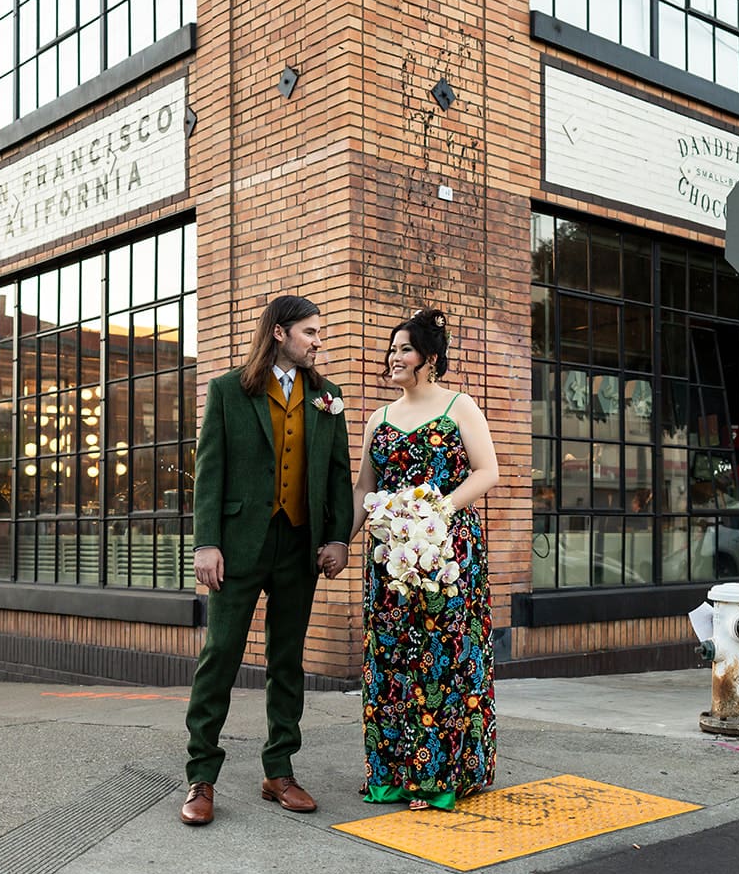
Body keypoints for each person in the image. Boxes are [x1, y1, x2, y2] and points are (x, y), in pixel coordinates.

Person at [179, 295, 354, 826]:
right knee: (221, 657)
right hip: (236, 547)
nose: (318, 341)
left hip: (299, 548)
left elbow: (338, 475)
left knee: (287, 661)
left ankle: (279, 769)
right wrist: (206, 542)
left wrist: (339, 538)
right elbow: (210, 472)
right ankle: (201, 777)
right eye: (310, 332)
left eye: (319, 333)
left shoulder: (328, 397)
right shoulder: (229, 391)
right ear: (279, 333)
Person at [351, 308, 499, 811]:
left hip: (448, 551)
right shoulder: (379, 418)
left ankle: (439, 777)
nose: (393, 357)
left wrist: (433, 511)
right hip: (390, 557)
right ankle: (391, 774)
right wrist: (339, 540)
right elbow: (364, 490)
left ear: (429, 359)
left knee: (443, 659)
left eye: (404, 349)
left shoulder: (461, 406)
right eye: (391, 349)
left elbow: (487, 471)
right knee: (390, 658)